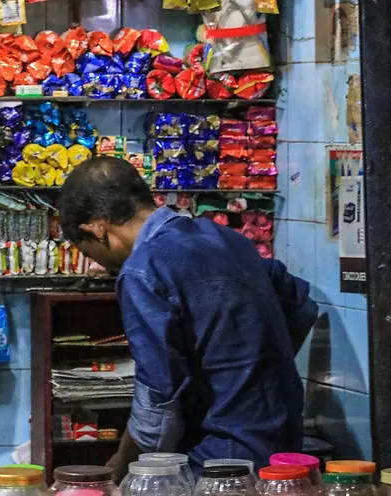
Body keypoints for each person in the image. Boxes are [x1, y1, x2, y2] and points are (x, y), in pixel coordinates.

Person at [59, 157, 318, 478]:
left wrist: (124, 465)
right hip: (283, 444)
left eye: (87, 252)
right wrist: (253, 368)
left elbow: (158, 396)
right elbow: (303, 305)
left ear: (96, 229)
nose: (97, 265)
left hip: (216, 458)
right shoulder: (227, 239)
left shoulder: (143, 269)